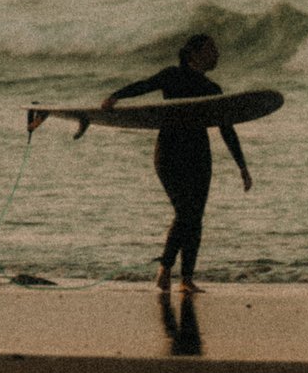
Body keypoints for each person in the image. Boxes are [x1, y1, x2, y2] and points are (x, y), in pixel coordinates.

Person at [101, 33, 252, 293]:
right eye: (211, 49)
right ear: (193, 53)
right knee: (185, 213)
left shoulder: (213, 90)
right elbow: (144, 86)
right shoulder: (172, 76)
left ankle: (186, 279)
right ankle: (165, 269)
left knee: (195, 217)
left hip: (199, 155)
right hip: (170, 153)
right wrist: (116, 96)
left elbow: (227, 129)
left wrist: (242, 166)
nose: (217, 53)